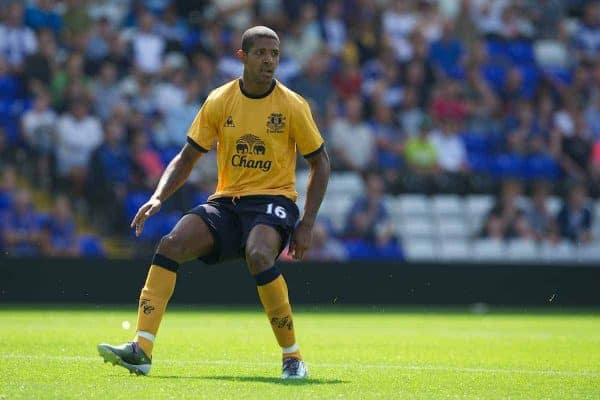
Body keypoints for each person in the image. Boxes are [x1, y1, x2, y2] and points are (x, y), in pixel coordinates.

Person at [97, 26, 330, 380]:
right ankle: (141, 350)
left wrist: (308, 223)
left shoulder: (292, 105)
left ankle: (292, 357)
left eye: (275, 54)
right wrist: (158, 196)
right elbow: (187, 157)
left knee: (258, 254)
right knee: (171, 244)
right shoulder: (220, 100)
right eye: (261, 53)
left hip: (273, 201)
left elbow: (320, 162)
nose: (269, 60)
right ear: (243, 57)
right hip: (227, 203)